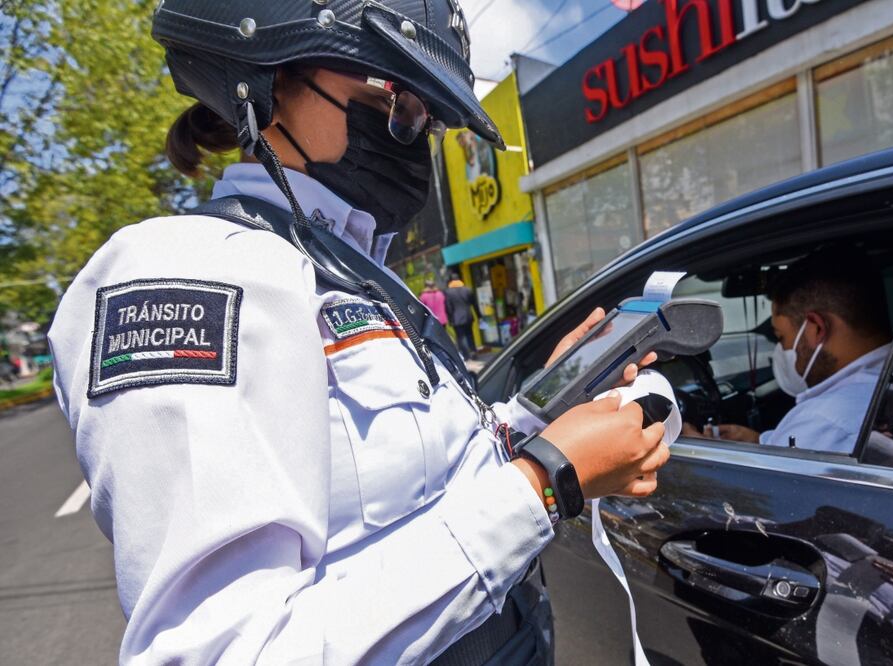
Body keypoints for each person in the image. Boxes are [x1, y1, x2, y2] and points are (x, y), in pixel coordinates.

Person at [45, 2, 669, 663]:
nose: (417, 133)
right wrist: (545, 483)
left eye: (431, 117)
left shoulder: (353, 267)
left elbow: (414, 477)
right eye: (399, 101)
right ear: (267, 79)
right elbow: (229, 650)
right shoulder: (194, 273)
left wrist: (532, 417)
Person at [710, 248, 893, 453]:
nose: (781, 349)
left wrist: (702, 448)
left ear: (816, 328)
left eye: (781, 337)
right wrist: (759, 441)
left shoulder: (824, 421)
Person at [444, 272, 480, 360]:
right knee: (470, 335)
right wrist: (479, 315)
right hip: (468, 316)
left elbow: (448, 307)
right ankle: (473, 352)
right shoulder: (467, 289)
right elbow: (474, 304)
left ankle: (466, 356)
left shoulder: (448, 292)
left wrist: (450, 319)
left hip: (456, 319)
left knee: (461, 337)